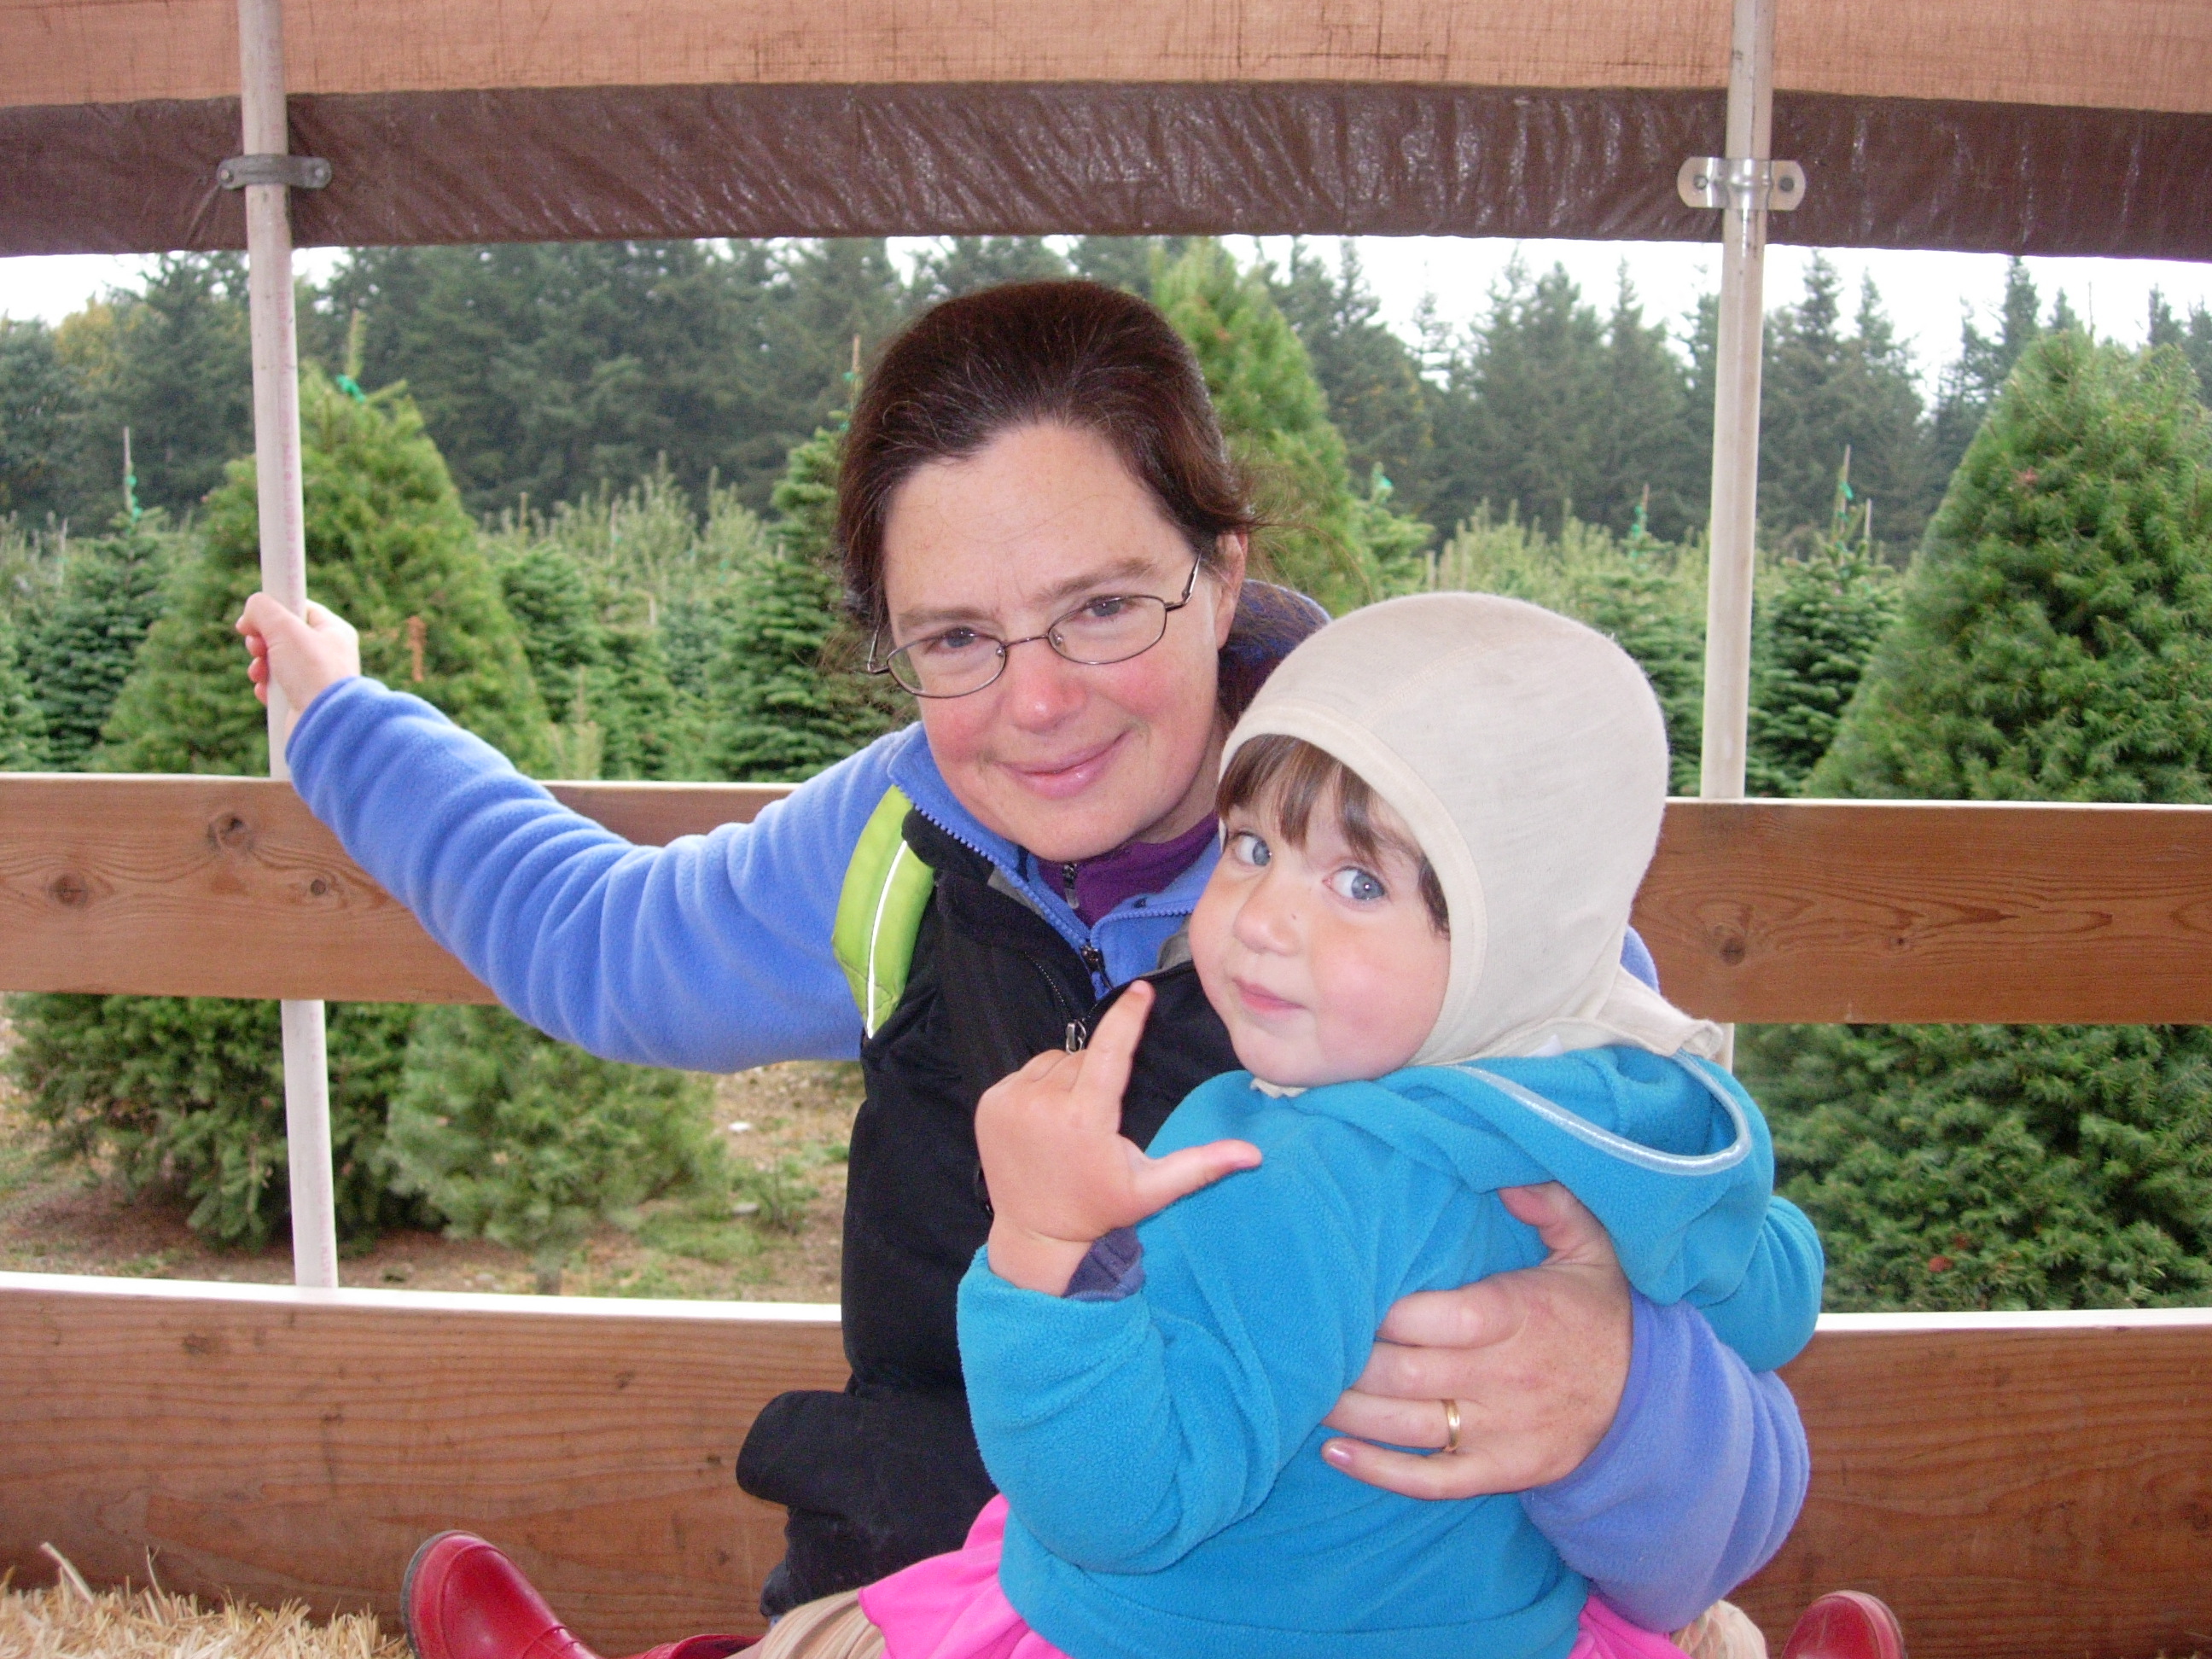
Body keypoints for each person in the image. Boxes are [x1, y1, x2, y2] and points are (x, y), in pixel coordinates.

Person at [236, 281, 1895, 1659]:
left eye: (1103, 607)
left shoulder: (1453, 907)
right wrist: (340, 721)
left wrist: (1623, 1400)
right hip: (947, 1574)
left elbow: (1716, 1480)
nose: (1035, 704)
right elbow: (597, 938)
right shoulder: (893, 836)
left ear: (1220, 573)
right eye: (957, 638)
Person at [736, 591, 1821, 1659]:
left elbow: (1119, 1510)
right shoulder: (1624, 1108)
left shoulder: (1304, 1172)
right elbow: (1771, 1291)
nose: (1262, 921)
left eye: (1358, 882)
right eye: (1252, 847)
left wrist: (1042, 1250)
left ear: (1507, 932)